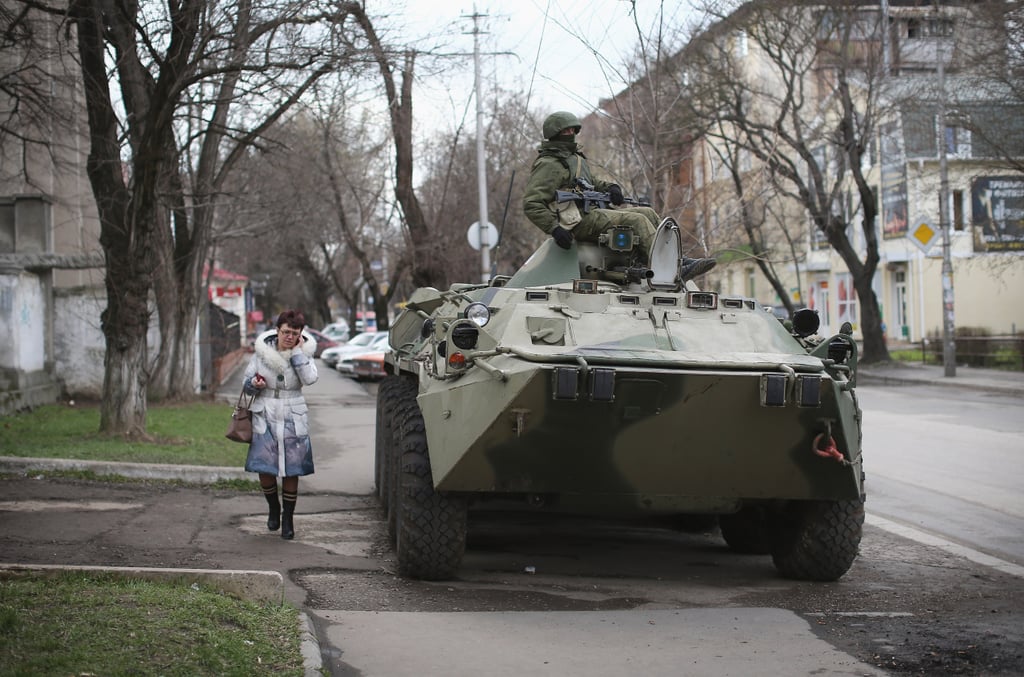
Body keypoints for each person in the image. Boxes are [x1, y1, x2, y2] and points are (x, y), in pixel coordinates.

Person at [523, 110, 716, 281]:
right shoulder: (549, 164)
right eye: (566, 131)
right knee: (636, 221)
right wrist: (555, 229)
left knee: (647, 212)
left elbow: (592, 184)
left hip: (591, 213)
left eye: (573, 130)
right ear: (555, 134)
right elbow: (532, 203)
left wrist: (611, 188)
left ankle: (678, 261)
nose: (571, 134)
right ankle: (670, 268)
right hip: (576, 222)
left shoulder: (575, 159)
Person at [242, 309, 318, 540]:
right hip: (264, 412)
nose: (289, 336)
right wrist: (254, 384)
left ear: (300, 335)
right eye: (286, 331)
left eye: (294, 333)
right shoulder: (261, 353)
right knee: (265, 467)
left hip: (293, 413)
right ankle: (273, 508)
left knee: (291, 469)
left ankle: (288, 519)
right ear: (277, 330)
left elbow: (310, 378)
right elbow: (246, 384)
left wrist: (297, 354)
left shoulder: (304, 353)